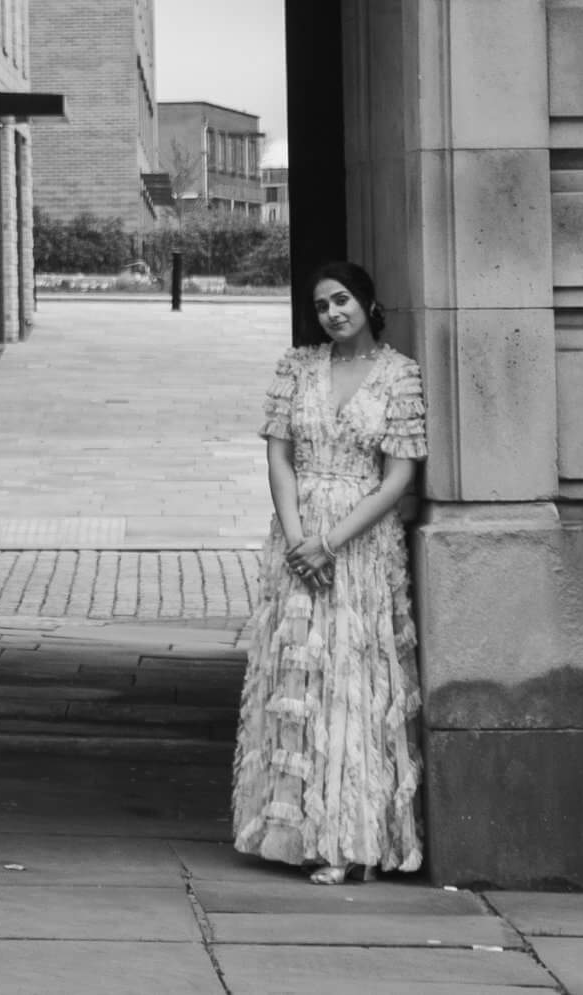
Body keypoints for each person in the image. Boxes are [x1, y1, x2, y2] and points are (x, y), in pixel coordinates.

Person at [231, 259, 427, 882]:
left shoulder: (400, 375)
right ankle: (298, 834)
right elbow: (279, 458)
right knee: (297, 677)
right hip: (298, 537)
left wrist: (330, 543)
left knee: (349, 677)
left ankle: (350, 842)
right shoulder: (297, 368)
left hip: (360, 543)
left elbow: (399, 477)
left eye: (342, 300)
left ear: (368, 303)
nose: (333, 313)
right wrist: (297, 541)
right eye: (322, 306)